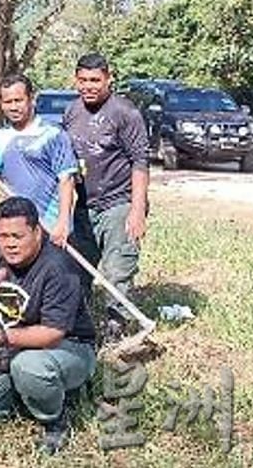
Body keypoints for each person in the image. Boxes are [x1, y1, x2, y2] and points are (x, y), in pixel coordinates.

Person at [0, 197, 96, 455]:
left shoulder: (59, 267)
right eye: (2, 236)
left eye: (17, 236)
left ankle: (55, 419)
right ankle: (36, 392)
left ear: (36, 231)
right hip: (16, 346)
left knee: (30, 367)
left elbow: (53, 334)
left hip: (70, 348)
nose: (9, 244)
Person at [62, 53, 150, 336]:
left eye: (95, 80)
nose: (89, 86)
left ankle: (118, 329)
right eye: (84, 80)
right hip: (85, 206)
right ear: (76, 80)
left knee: (117, 271)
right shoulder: (71, 112)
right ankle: (80, 325)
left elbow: (140, 162)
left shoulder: (125, 113)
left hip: (119, 203)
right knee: (76, 269)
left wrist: (137, 211)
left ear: (108, 79)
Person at [0, 74, 80, 249]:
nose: (13, 107)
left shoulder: (53, 134)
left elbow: (66, 180)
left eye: (18, 100)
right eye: (8, 102)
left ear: (31, 99)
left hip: (52, 227)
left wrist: (63, 222)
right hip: (19, 229)